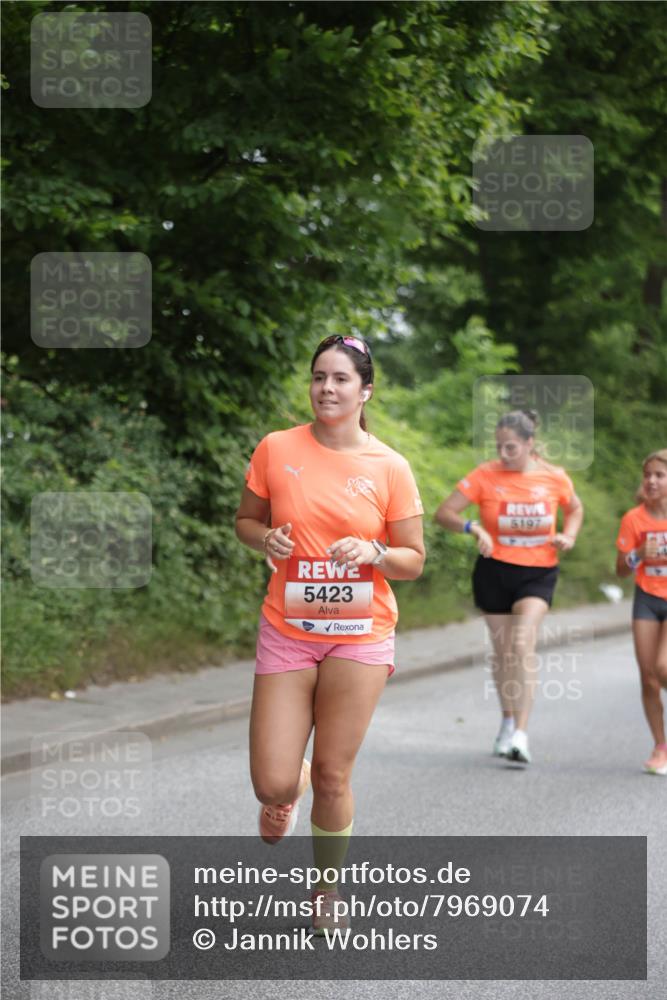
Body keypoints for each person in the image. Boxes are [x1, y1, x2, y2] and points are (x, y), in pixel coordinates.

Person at [235, 334, 425, 931]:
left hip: (360, 633)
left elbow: (413, 558)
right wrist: (264, 539)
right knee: (271, 782)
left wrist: (372, 551)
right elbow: (245, 520)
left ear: (365, 390)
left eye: (341, 379)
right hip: (287, 628)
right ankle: (282, 797)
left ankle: (326, 893)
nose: (327, 388)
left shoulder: (389, 466)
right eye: (319, 376)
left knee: (333, 773)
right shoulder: (276, 448)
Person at [434, 409, 584, 765]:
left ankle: (521, 732)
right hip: (494, 571)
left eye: (511, 447)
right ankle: (505, 720)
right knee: (503, 652)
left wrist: (569, 534)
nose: (503, 454)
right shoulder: (485, 475)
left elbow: (575, 509)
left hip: (538, 573)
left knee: (521, 643)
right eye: (499, 446)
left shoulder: (554, 477)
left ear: (530, 444)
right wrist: (475, 528)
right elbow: (445, 513)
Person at [615, 449, 667, 776]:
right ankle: (661, 747)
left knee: (663, 667)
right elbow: (620, 569)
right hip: (646, 598)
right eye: (647, 474)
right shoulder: (633, 518)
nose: (651, 481)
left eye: (659, 475)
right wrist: (637, 554)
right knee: (648, 678)